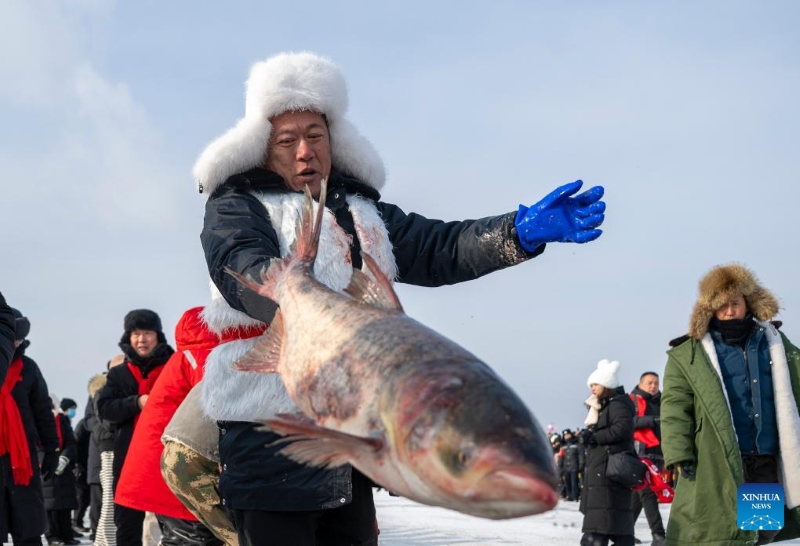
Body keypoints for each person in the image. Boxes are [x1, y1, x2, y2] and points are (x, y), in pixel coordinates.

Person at [194, 51, 607, 546]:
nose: (304, 151)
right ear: (264, 147)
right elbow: (237, 260)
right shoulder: (237, 204)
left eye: (315, 135)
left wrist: (516, 232)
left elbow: (440, 247)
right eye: (288, 140)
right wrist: (286, 288)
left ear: (333, 140)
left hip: (356, 435)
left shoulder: (363, 210)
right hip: (270, 434)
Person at [661, 264, 800, 545]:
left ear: (748, 302)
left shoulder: (774, 342)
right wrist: (678, 452)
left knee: (761, 532)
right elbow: (675, 406)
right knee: (721, 530)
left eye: (735, 303)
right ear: (709, 309)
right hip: (717, 457)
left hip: (765, 457)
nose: (728, 311)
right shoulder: (689, 353)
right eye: (721, 305)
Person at [115, 305, 256, 545]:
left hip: (165, 462)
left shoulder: (195, 349)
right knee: (194, 538)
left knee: (183, 537)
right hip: (179, 465)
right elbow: (217, 415)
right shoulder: (208, 354)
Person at [96, 310, 174, 546]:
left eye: (147, 333)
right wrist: (137, 402)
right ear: (128, 337)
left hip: (168, 458)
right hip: (130, 460)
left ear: (158, 336)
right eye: (136, 334)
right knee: (127, 525)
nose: (142, 339)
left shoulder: (174, 366)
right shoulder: (118, 374)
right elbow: (104, 408)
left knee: (174, 526)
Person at [0, 306, 61, 545]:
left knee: (28, 527)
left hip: (22, 460)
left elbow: (43, 412)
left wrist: (52, 449)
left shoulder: (29, 368)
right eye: (12, 338)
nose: (15, 344)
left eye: (19, 340)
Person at [162, 382, 238, 546]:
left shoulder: (226, 366)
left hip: (172, 454)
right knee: (238, 535)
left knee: (226, 531)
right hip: (197, 459)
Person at [579, 359, 636, 546]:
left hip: (607, 469)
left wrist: (596, 437)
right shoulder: (605, 405)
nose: (592, 388)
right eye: (591, 385)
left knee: (600, 526)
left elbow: (623, 428)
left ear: (607, 384)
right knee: (612, 524)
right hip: (603, 468)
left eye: (595, 384)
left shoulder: (616, 405)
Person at [89, 356, 124, 546]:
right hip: (110, 449)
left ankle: (102, 542)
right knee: (111, 503)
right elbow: (107, 422)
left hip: (122, 448)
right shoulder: (104, 392)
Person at [628, 372, 665, 545]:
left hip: (658, 453)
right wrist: (654, 420)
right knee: (648, 493)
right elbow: (629, 422)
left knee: (638, 497)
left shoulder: (663, 401)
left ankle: (625, 533)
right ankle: (658, 535)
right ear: (640, 383)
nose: (653, 386)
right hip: (640, 454)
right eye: (649, 383)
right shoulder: (632, 400)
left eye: (656, 383)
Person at [43, 397, 80, 545]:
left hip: (64, 468)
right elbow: (34, 443)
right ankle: (52, 537)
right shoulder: (37, 419)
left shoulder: (62, 420)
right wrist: (47, 460)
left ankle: (67, 535)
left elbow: (71, 442)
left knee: (65, 504)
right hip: (45, 467)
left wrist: (64, 458)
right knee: (50, 506)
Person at [561, 429, 584, 502]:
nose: (566, 437)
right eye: (565, 435)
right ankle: (569, 496)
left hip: (574, 466)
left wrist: (581, 464)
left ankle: (575, 496)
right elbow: (561, 457)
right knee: (567, 482)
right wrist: (561, 467)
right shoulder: (563, 446)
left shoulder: (577, 445)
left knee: (574, 482)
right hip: (566, 467)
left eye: (568, 435)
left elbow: (581, 456)